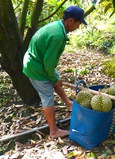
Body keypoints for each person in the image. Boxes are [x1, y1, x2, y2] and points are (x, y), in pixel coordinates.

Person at [23, 6, 87, 138]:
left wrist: (54, 77)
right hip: (36, 66)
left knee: (56, 79)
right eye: (78, 23)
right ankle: (53, 131)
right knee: (47, 96)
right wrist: (52, 79)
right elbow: (49, 62)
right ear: (70, 21)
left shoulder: (56, 27)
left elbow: (48, 63)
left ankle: (69, 104)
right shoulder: (57, 36)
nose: (78, 27)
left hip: (36, 60)